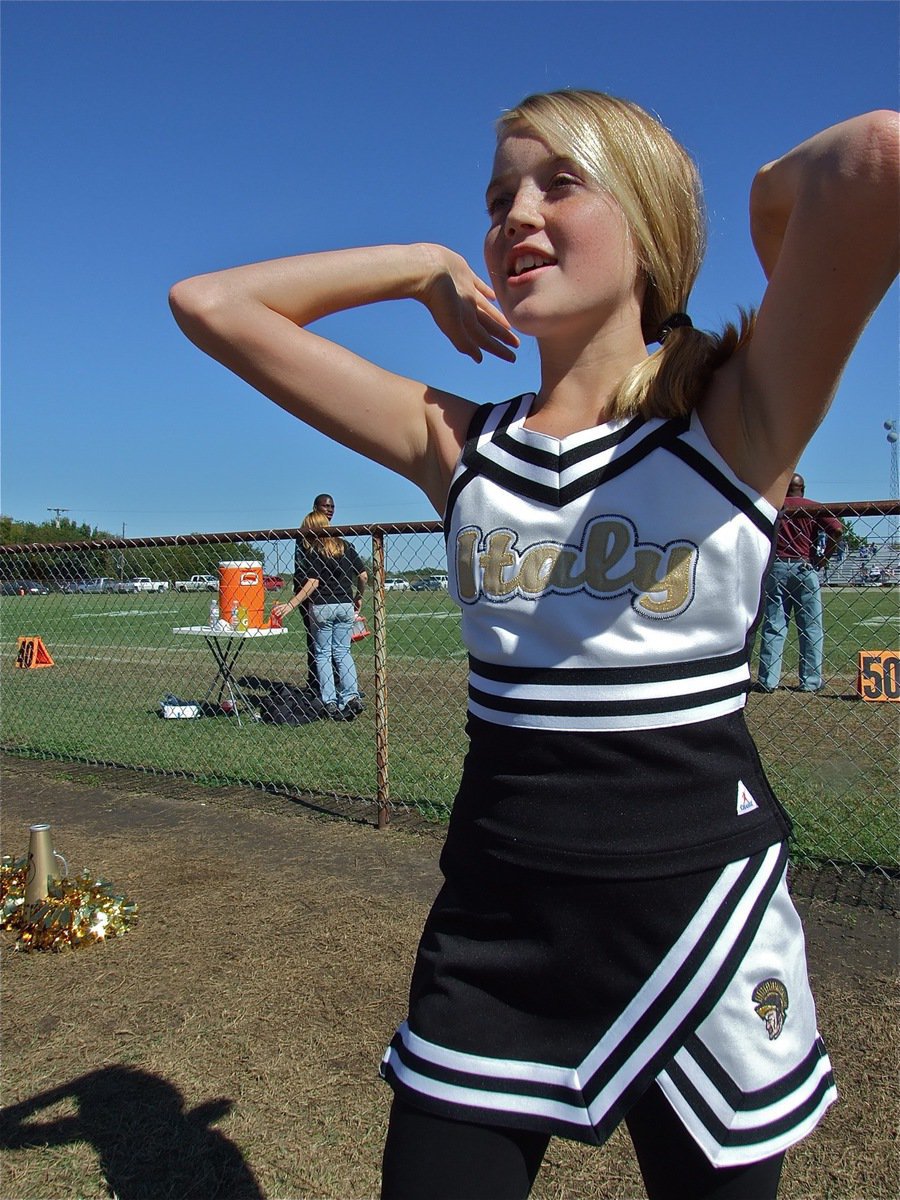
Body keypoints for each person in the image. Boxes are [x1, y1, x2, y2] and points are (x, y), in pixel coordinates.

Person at [170, 91, 898, 1200]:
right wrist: (417, 264)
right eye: (496, 198)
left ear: (649, 222)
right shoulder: (456, 443)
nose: (515, 215)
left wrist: (754, 215)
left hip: (699, 927)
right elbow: (211, 303)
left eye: (560, 184)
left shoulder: (734, 421)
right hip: (498, 923)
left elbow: (875, 157)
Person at [273, 508, 367, 719]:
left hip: (322, 606)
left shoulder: (316, 550)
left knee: (323, 654)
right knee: (343, 652)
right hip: (345, 605)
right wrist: (358, 596)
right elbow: (363, 575)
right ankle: (351, 697)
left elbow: (312, 583)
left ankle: (330, 700)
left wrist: (290, 604)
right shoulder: (346, 546)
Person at [756, 474, 844, 693]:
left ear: (786, 488)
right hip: (804, 565)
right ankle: (810, 681)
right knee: (811, 627)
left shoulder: (774, 507)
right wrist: (824, 556)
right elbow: (838, 530)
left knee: (774, 625)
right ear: (803, 489)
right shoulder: (813, 507)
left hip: (776, 566)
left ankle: (768, 681)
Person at [298, 493, 337, 693]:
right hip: (309, 593)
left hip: (330, 594)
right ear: (315, 507)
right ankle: (316, 683)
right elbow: (305, 570)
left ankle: (335, 683)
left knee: (335, 644)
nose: (330, 509)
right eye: (325, 506)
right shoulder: (307, 533)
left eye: (332, 506)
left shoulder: (333, 534)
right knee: (316, 640)